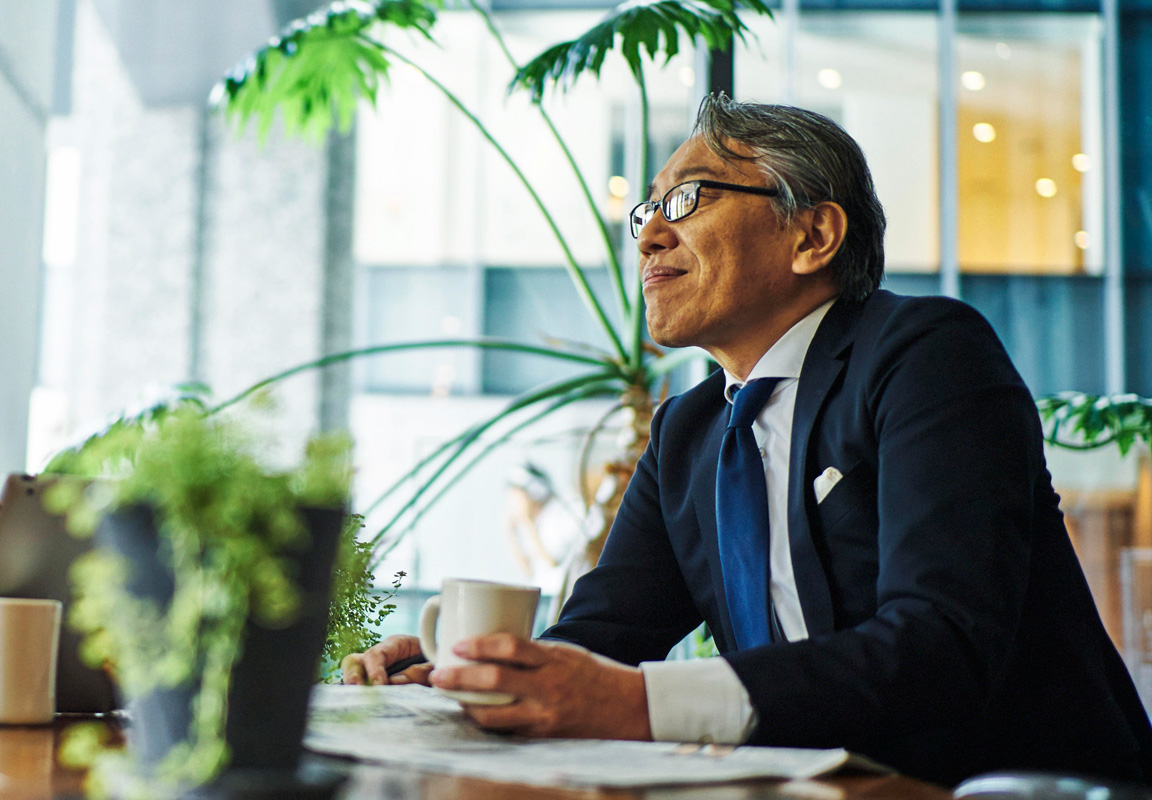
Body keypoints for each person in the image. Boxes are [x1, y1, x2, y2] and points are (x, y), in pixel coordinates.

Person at [344, 94, 1152, 785]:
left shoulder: (924, 353)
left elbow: (939, 648)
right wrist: (465, 681)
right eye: (646, 210)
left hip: (1003, 787)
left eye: (688, 198)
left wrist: (631, 703)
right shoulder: (689, 432)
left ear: (813, 236)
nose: (650, 235)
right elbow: (599, 643)